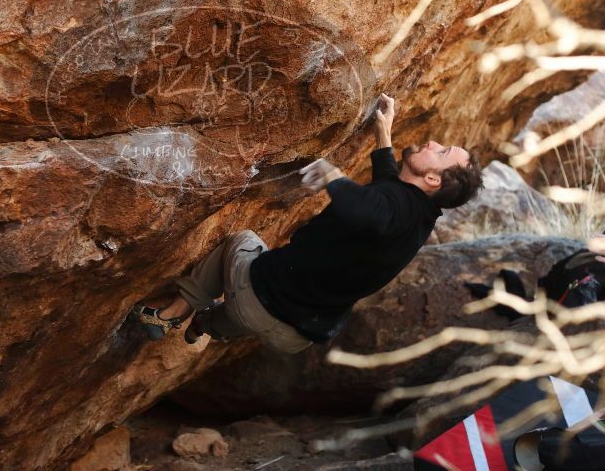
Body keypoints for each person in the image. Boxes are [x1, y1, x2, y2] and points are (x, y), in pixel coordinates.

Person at [134, 93, 484, 352]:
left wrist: (333, 175)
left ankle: (173, 312)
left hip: (260, 300)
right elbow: (387, 190)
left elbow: (368, 209)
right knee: (244, 312)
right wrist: (383, 133)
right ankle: (208, 327)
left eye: (441, 152)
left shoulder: (391, 210)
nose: (434, 142)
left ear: (434, 181)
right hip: (294, 336)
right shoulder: (418, 217)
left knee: (241, 240)